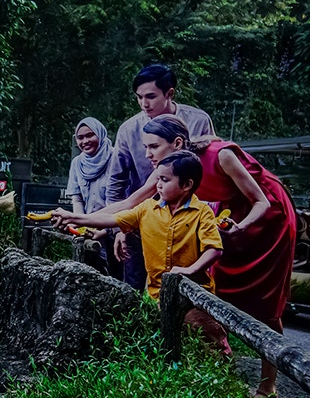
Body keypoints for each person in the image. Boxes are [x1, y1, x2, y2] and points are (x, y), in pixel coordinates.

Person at [93, 114, 296, 398]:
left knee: (265, 304)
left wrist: (241, 227)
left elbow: (261, 199)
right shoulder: (168, 170)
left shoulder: (221, 156)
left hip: (265, 217)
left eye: (153, 146)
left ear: (176, 143)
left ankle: (267, 387)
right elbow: (131, 203)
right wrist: (81, 219)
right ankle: (215, 373)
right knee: (214, 292)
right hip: (226, 218)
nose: (147, 154)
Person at [53, 149, 231, 360]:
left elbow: (214, 248)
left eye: (165, 179)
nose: (158, 184)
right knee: (162, 346)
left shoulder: (202, 212)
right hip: (156, 295)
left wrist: (190, 270)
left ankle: (225, 382)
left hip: (194, 297)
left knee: (210, 346)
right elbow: (111, 219)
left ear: (187, 185)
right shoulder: (147, 208)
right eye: (158, 178)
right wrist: (73, 218)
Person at [105, 64, 214, 290]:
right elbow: (116, 183)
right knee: (136, 290)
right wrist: (119, 230)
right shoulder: (128, 130)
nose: (144, 104)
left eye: (151, 96)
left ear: (170, 93)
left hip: (187, 222)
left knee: (189, 289)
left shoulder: (198, 121)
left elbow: (210, 168)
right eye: (139, 97)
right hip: (142, 219)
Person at [66, 116, 112, 214]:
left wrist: (109, 228)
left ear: (100, 134)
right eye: (80, 138)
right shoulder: (77, 163)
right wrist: (82, 226)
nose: (85, 141)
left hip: (115, 224)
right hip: (88, 224)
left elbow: (123, 199)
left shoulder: (117, 158)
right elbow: (77, 200)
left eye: (90, 135)